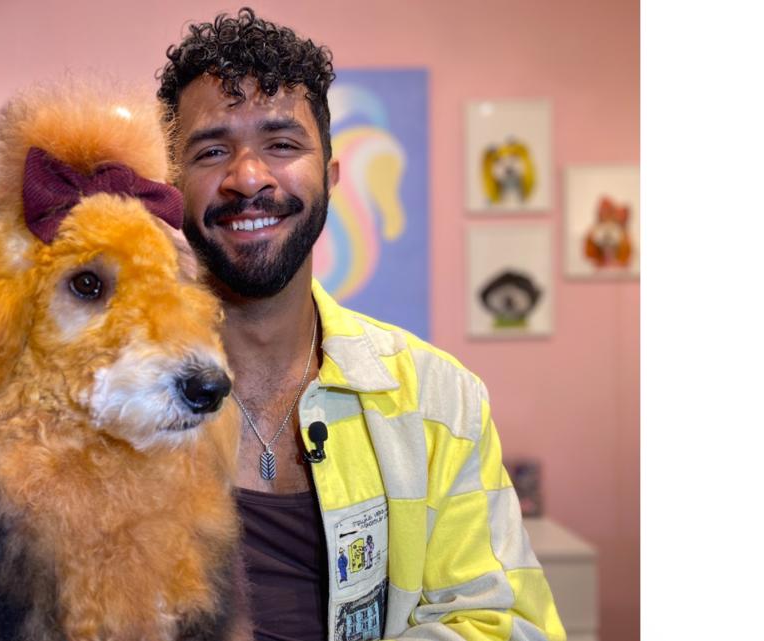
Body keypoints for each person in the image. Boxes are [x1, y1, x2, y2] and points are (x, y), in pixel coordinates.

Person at [157, 8, 567, 641]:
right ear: (170, 188)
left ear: (330, 177)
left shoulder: (438, 402)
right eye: (212, 151)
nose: (248, 177)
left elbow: (509, 623)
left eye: (281, 144)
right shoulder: (107, 397)